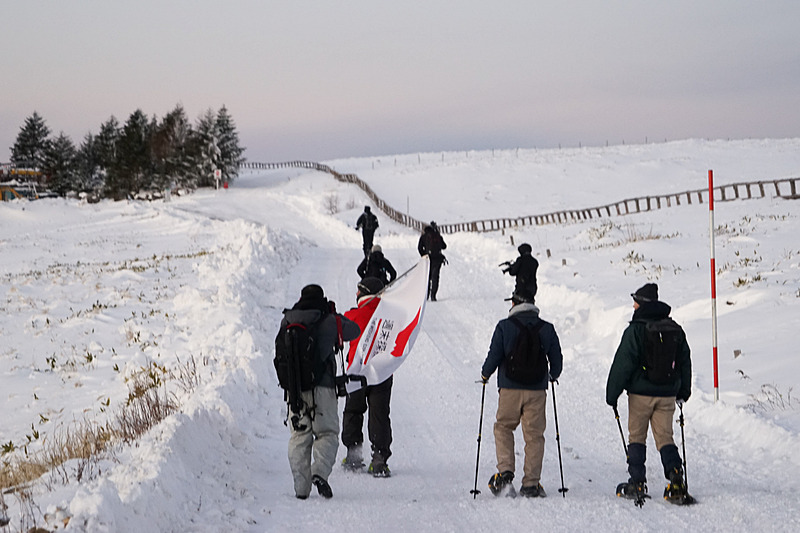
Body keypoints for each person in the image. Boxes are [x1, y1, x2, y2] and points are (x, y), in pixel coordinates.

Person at [606, 283, 692, 502]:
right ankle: (676, 479)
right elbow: (684, 360)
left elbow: (623, 363)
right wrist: (683, 391)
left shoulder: (635, 330)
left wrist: (612, 394)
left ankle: (637, 482)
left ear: (642, 304)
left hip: (640, 395)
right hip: (667, 395)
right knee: (665, 437)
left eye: (635, 302)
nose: (633, 306)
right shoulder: (675, 329)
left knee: (637, 436)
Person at [279, 284, 360, 500]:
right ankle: (320, 472)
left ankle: (301, 489)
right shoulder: (329, 320)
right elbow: (354, 330)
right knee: (327, 433)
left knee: (299, 437)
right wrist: (334, 316)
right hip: (323, 389)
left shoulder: (287, 321)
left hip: (295, 392)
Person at [480, 287, 563, 498]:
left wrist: (485, 374)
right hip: (537, 390)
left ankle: (506, 473)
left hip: (509, 388)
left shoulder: (504, 326)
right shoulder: (547, 328)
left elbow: (494, 355)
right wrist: (553, 375)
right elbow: (557, 360)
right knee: (534, 436)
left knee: (504, 428)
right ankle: (531, 484)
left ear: (514, 304)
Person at [340, 277, 394, 477]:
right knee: (379, 414)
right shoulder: (389, 316)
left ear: (364, 293)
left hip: (357, 373)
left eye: (358, 291)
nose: (355, 295)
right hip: (382, 373)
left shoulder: (352, 315)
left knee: (353, 411)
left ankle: (354, 455)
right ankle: (379, 459)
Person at [417, 221, 447, 301]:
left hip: (428, 259)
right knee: (435, 277)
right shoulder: (437, 235)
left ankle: (426, 295)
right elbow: (444, 246)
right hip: (437, 258)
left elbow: (419, 248)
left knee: (427, 277)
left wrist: (424, 255)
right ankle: (433, 295)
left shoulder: (424, 236)